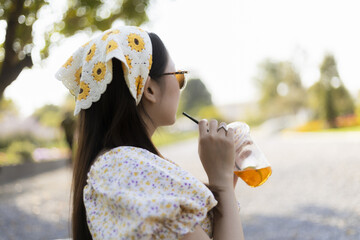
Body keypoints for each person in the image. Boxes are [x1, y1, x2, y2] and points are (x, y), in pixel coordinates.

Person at [56, 26, 244, 240]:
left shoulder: (122, 166)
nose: (179, 86)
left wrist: (223, 183)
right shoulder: (123, 167)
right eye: (178, 76)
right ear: (149, 89)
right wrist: (221, 183)